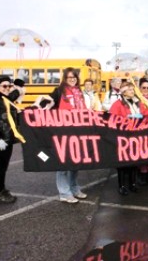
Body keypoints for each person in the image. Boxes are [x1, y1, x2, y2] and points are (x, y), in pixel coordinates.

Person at [49, 67, 88, 203]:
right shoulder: (58, 91)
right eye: (69, 77)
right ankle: (64, 192)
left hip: (78, 131)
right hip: (63, 132)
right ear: (64, 79)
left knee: (75, 162)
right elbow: (47, 105)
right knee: (63, 164)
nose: (72, 79)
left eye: (74, 77)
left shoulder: (79, 92)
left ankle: (74, 188)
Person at [110, 81, 148, 195]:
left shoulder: (138, 103)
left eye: (132, 89)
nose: (133, 91)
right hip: (123, 137)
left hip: (136, 136)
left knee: (134, 162)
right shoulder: (117, 104)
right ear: (124, 92)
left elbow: (146, 113)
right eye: (130, 90)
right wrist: (128, 119)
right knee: (123, 164)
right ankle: (122, 186)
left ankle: (133, 184)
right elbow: (113, 119)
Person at [0, 75, 24, 203]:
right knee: (1, 167)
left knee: (3, 166)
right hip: (1, 140)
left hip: (6, 139)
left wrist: (19, 85)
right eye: (4, 86)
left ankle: (1, 190)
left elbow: (14, 93)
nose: (7, 88)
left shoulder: (4, 98)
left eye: (9, 85)